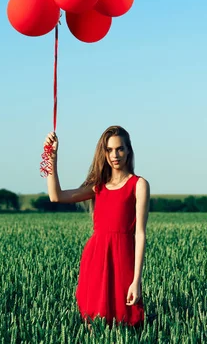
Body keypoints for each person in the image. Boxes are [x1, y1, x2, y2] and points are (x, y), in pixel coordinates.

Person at [44, 125, 150, 328]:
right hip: (96, 258)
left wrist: (136, 280)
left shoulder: (138, 185)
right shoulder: (98, 187)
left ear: (128, 150)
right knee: (94, 322)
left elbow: (140, 234)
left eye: (119, 149)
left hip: (123, 259)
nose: (115, 155)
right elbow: (55, 196)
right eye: (109, 150)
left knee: (127, 321)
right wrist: (51, 156)